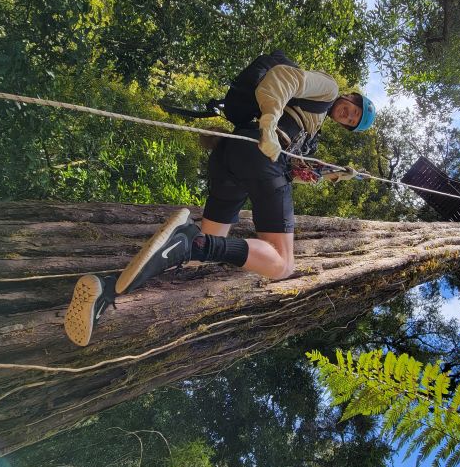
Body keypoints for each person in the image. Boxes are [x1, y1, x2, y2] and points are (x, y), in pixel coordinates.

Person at [64, 59, 376, 346]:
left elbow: (291, 170)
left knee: (202, 251)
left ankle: (106, 290)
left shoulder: (313, 126)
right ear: (350, 97)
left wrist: (332, 175)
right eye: (353, 109)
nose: (348, 115)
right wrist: (268, 125)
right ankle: (187, 241)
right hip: (256, 153)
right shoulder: (328, 88)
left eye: (352, 121)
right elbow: (283, 78)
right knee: (282, 264)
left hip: (233, 158)